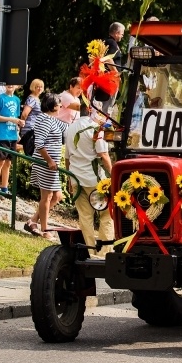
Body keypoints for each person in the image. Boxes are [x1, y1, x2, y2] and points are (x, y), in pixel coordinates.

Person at [65, 103, 114, 257]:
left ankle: (89, 251)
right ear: (91, 110)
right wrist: (114, 175)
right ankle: (105, 251)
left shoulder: (70, 128)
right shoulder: (95, 128)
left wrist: (68, 177)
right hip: (95, 180)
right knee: (106, 214)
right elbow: (103, 155)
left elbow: (67, 157)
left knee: (85, 216)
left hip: (76, 178)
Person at [25, 93, 67, 239]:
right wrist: (49, 160)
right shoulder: (44, 120)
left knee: (58, 196)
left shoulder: (54, 120)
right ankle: (45, 230)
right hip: (45, 164)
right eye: (59, 104)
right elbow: (39, 143)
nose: (61, 106)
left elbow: (69, 128)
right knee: (47, 196)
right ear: (53, 105)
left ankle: (32, 220)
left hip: (51, 166)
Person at [0, 85, 24, 194]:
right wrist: (10, 119)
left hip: (12, 135)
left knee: (8, 163)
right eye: (8, 83)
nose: (10, 85)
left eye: (13, 83)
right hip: (2, 135)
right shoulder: (0, 98)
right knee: (0, 161)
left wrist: (18, 128)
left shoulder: (17, 100)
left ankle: (4, 187)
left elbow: (16, 117)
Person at [100, 22, 125, 116]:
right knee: (107, 106)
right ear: (116, 33)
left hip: (105, 79)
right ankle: (103, 124)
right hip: (110, 80)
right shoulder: (112, 43)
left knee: (105, 104)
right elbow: (108, 59)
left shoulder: (106, 41)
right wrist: (116, 74)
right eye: (122, 34)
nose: (122, 36)